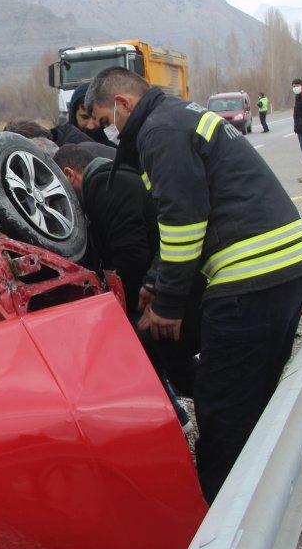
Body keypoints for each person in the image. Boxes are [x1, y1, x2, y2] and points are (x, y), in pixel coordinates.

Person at [85, 66, 302, 502]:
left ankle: (219, 519)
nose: (107, 132)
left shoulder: (160, 131)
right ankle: (264, 493)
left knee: (224, 402)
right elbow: (181, 217)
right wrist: (157, 280)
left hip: (252, 277)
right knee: (254, 393)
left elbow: (184, 222)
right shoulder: (176, 118)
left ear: (122, 104)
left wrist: (169, 304)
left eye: (104, 121)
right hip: (283, 268)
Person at [53, 143, 196, 402]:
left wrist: (119, 307)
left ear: (70, 174)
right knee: (169, 362)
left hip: (158, 291)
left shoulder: (107, 186)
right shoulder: (108, 182)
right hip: (160, 284)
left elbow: (131, 255)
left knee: (142, 349)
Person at [51, 83, 115, 148]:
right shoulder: (56, 142)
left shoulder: (116, 142)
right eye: (84, 117)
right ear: (73, 114)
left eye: (96, 118)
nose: (90, 126)